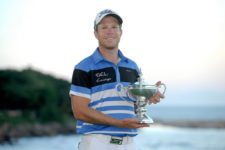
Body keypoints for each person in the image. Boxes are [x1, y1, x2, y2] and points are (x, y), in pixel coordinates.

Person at [69, 9, 164, 150]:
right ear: (96, 33)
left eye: (114, 27)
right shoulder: (84, 67)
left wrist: (149, 95)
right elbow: (80, 111)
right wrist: (119, 123)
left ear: (121, 32)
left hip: (129, 144)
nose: (110, 31)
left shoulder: (132, 66)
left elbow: (134, 104)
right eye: (104, 27)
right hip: (97, 143)